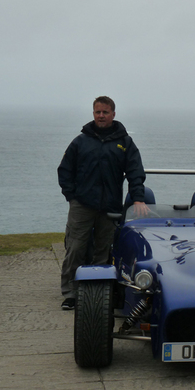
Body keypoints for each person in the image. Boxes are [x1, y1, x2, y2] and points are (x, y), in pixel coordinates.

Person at [57, 96, 147, 310]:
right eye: (98, 112)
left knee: (104, 250)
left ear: (113, 114)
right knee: (76, 247)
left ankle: (96, 291)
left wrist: (138, 198)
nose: (101, 116)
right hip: (82, 205)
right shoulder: (80, 141)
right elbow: (64, 170)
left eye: (105, 112)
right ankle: (70, 291)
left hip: (110, 206)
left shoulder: (125, 142)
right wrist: (72, 196)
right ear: (93, 113)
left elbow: (135, 172)